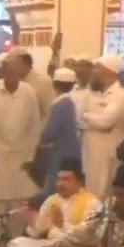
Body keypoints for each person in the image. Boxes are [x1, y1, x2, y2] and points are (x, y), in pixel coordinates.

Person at [0, 48, 41, 239]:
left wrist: (31, 156)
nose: (12, 74)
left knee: (20, 198)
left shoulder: (28, 91)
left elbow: (34, 126)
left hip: (21, 153)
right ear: (2, 71)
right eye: (8, 70)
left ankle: (16, 235)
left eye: (16, 70)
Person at [7, 159, 100, 247]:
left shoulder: (91, 203)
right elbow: (35, 234)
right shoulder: (52, 200)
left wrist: (62, 224)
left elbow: (86, 238)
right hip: (51, 246)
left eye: (66, 179)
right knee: (17, 243)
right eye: (58, 179)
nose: (60, 184)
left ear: (79, 182)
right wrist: (32, 222)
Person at [79, 56, 124, 199]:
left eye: (98, 68)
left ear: (110, 71)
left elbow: (106, 122)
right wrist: (92, 119)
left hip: (107, 154)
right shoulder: (90, 93)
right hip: (88, 152)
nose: (93, 72)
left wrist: (86, 116)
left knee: (102, 194)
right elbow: (77, 118)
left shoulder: (120, 96)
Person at [36, 67, 83, 204]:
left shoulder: (60, 105)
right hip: (73, 151)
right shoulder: (72, 102)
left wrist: (40, 139)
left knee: (55, 187)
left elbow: (50, 132)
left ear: (54, 84)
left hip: (60, 153)